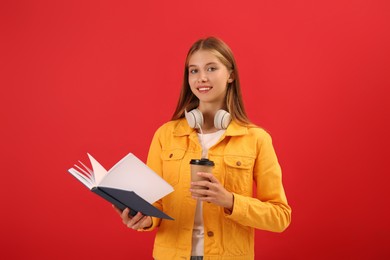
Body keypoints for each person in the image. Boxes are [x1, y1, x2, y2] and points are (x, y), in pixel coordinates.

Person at [113, 36, 291, 260]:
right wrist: (144, 220)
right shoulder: (165, 135)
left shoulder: (256, 138)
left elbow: (280, 216)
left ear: (231, 75)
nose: (202, 78)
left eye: (211, 68)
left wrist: (230, 201)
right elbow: (155, 203)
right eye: (194, 71)